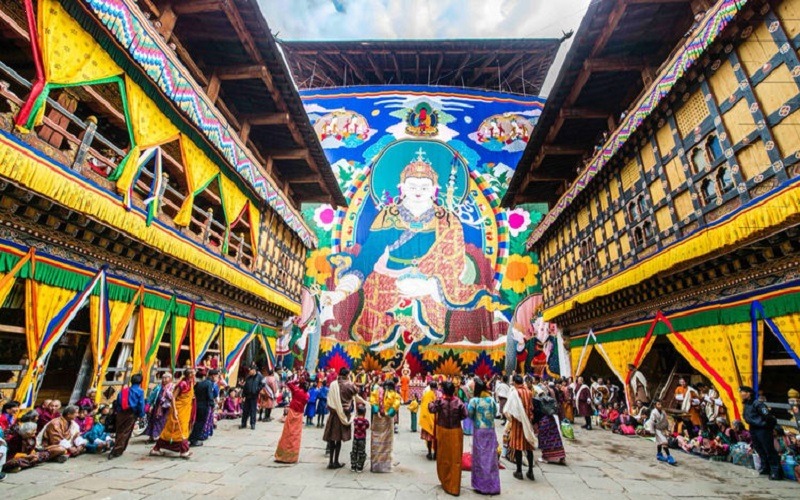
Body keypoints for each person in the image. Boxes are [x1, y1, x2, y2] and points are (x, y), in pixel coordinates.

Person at [428, 381, 467, 496]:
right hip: (455, 431)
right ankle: (454, 486)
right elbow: (465, 415)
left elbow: (431, 409)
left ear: (444, 391)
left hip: (443, 431)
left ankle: (445, 481)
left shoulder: (440, 402)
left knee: (443, 456)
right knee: (455, 458)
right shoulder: (459, 402)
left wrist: (431, 402)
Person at [323, 368, 364, 469]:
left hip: (333, 414)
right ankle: (336, 461)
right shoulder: (349, 385)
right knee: (339, 439)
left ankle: (330, 461)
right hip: (343, 414)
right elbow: (356, 391)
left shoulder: (333, 384)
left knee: (332, 438)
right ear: (347, 375)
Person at [151, 368, 195, 459]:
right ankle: (183, 450)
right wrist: (174, 410)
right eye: (193, 374)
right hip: (178, 409)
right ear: (189, 375)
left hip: (185, 410)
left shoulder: (190, 383)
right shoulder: (182, 384)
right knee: (177, 429)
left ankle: (157, 448)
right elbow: (173, 397)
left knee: (181, 429)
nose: (194, 375)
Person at [740, 386, 782, 480]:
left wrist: (768, 427)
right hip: (753, 428)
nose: (741, 394)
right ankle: (765, 467)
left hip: (762, 429)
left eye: (743, 392)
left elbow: (768, 416)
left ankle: (776, 471)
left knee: (769, 449)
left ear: (749, 393)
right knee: (759, 448)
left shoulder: (758, 404)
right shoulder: (747, 404)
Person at [468, 379, 501, 495]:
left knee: (480, 457)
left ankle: (481, 485)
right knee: (491, 457)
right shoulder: (491, 400)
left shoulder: (474, 401)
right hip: (490, 430)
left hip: (479, 430)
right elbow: (496, 411)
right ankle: (492, 485)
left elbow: (470, 414)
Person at [505, 375, 537, 481]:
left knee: (518, 446)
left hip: (518, 423)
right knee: (529, 446)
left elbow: (510, 409)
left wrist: (510, 420)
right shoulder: (529, 391)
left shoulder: (515, 393)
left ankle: (519, 471)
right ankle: (530, 472)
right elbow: (532, 407)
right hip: (528, 422)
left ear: (514, 382)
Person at [108, 372, 146, 459]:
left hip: (121, 412)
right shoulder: (140, 391)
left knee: (120, 430)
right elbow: (141, 404)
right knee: (126, 432)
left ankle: (118, 447)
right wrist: (141, 414)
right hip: (131, 413)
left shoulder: (124, 390)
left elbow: (118, 401)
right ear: (140, 382)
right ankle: (117, 450)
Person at [274, 378, 309, 464]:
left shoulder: (296, 390)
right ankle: (292, 457)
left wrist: (297, 380)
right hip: (299, 415)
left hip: (292, 413)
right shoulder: (307, 395)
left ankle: (282, 456)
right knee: (295, 435)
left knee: (287, 433)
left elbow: (288, 383)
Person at [370, 380, 401, 472]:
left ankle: (375, 465)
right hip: (387, 420)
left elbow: (373, 402)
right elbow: (396, 405)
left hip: (377, 419)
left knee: (376, 440)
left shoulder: (376, 392)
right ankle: (385, 466)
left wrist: (377, 411)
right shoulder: (395, 394)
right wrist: (388, 413)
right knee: (386, 442)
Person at [534, 392, 566, 465]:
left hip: (543, 422)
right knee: (556, 438)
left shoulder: (539, 403)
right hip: (552, 421)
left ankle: (545, 457)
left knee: (545, 440)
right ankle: (561, 457)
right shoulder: (550, 404)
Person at [144, 372, 174, 443]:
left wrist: (167, 392)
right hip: (157, 407)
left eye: (166, 378)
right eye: (163, 378)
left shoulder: (172, 387)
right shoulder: (158, 387)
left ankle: (160, 436)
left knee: (162, 422)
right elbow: (152, 396)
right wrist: (149, 405)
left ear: (170, 379)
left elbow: (172, 397)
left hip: (166, 408)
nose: (164, 380)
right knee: (153, 421)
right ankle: (152, 436)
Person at [190, 367, 214, 447]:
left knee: (197, 422)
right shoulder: (208, 383)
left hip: (197, 404)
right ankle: (194, 439)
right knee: (200, 423)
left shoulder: (196, 384)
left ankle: (192, 437)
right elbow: (210, 395)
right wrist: (212, 405)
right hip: (204, 405)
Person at [646, 400, 676, 465]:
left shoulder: (663, 412)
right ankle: (669, 456)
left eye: (661, 404)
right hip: (657, 429)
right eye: (658, 404)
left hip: (663, 429)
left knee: (659, 442)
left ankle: (659, 455)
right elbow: (651, 422)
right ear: (655, 406)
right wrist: (652, 431)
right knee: (664, 442)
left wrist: (668, 429)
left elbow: (666, 421)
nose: (660, 406)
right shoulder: (653, 412)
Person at [419, 381, 438, 459]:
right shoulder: (436, 394)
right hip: (434, 417)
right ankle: (436, 454)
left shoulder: (426, 394)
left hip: (426, 417)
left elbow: (423, 404)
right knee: (436, 436)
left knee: (429, 437)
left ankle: (429, 453)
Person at [241, 365, 262, 430]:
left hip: (254, 396)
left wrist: (257, 389)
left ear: (253, 370)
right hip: (247, 396)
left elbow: (263, 384)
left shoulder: (259, 377)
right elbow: (245, 387)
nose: (249, 371)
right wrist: (243, 395)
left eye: (250, 370)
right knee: (245, 410)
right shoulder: (248, 377)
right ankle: (243, 423)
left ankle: (252, 424)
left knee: (253, 410)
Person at [350, 405, 369, 472]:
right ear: (364, 413)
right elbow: (367, 426)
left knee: (354, 452)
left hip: (355, 438)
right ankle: (359, 467)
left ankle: (353, 466)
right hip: (362, 439)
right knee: (361, 452)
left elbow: (354, 424)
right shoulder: (365, 421)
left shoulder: (355, 420)